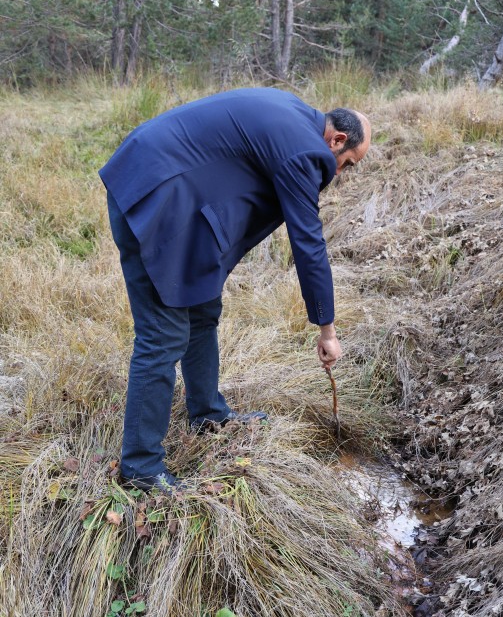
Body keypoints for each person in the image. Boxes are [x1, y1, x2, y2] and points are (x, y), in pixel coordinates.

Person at [100, 87, 371, 493]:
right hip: (155, 198)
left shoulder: (295, 115)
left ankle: (208, 415)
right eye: (346, 164)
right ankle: (139, 466)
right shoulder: (304, 152)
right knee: (163, 335)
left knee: (203, 311)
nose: (339, 174)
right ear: (335, 141)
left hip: (174, 193)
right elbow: (308, 245)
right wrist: (327, 330)